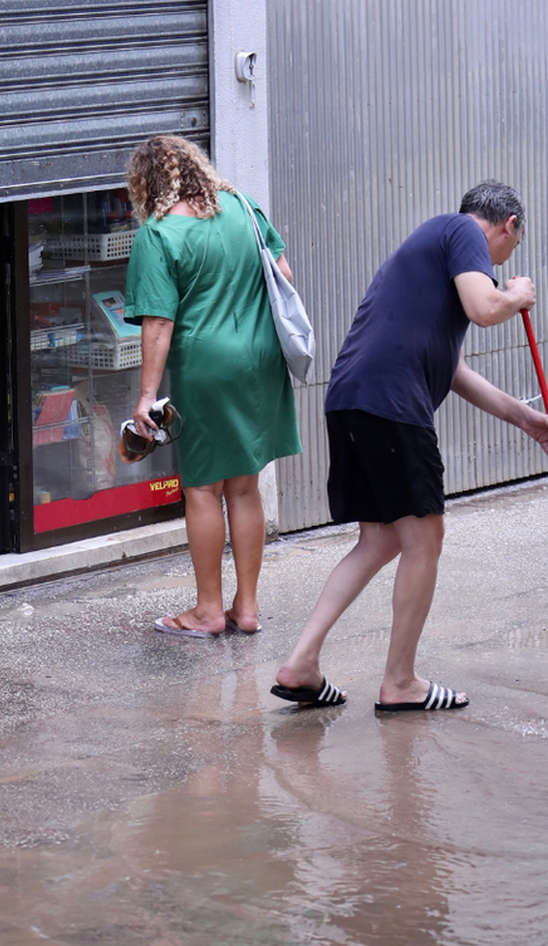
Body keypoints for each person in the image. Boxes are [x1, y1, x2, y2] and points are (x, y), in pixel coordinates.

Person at [272, 181, 548, 712]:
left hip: (352, 397)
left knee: (379, 540)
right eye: (514, 244)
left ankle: (301, 664)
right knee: (424, 539)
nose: (505, 258)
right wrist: (516, 296)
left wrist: (529, 420)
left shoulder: (435, 254)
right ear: (509, 225)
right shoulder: (463, 230)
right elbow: (486, 307)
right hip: (392, 403)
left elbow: (455, 371)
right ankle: (401, 683)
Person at [123, 135, 302, 637]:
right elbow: (283, 273)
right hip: (261, 359)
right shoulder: (245, 209)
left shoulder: (159, 235)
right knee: (244, 484)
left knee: (202, 488)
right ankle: (246, 609)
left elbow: (158, 323)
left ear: (147, 185)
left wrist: (146, 397)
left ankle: (206, 611)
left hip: (207, 364)